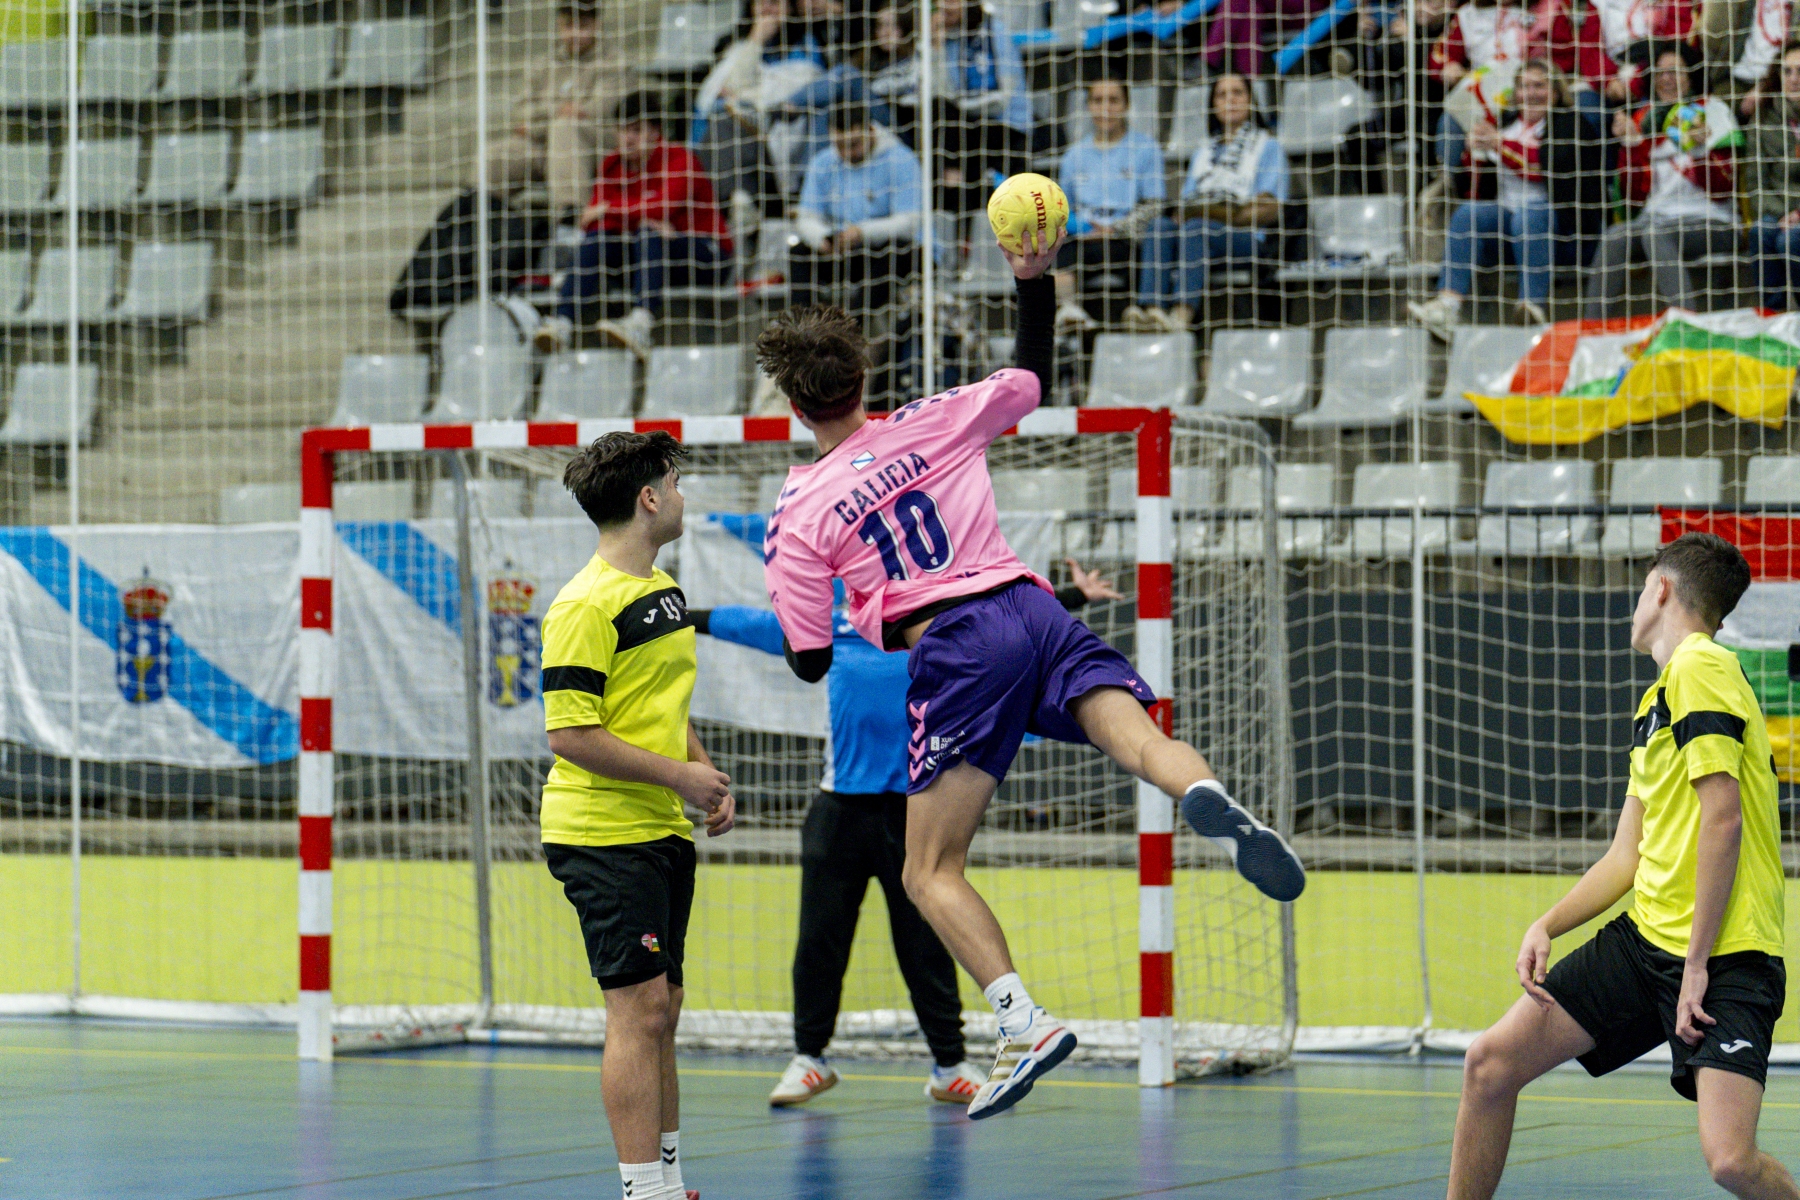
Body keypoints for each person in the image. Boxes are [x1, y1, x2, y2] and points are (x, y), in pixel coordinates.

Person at [753, 234, 1305, 1120]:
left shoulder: (799, 507)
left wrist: (847, 603)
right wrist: (1032, 280)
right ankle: (1204, 793)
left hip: (958, 644)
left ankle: (1024, 1023)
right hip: (1033, 607)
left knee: (928, 870)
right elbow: (1030, 378)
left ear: (793, 402)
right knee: (1138, 738)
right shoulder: (934, 417)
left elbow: (811, 658)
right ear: (863, 376)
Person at [691, 561, 1123, 1107]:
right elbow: (742, 623)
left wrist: (1073, 596)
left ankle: (949, 1064)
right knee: (820, 940)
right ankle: (809, 1058)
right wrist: (679, 614)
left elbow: (1006, 613)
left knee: (925, 943)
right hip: (839, 810)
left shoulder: (934, 630)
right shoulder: (832, 629)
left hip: (917, 811)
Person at [1444, 533, 1792, 1200]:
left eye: (1640, 589)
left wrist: (1697, 966)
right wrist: (1548, 924)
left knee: (1731, 1161)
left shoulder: (1702, 666)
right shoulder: (1656, 703)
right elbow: (1626, 856)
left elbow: (1723, 819)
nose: (1635, 603)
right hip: (1645, 944)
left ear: (1660, 589)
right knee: (1489, 1066)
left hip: (1727, 957)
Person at [539, 431, 737, 1200]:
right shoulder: (584, 605)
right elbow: (571, 734)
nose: (683, 496)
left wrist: (702, 773)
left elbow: (656, 705)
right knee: (640, 1009)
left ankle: (670, 1180)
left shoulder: (663, 590)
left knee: (665, 1009)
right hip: (601, 834)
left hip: (659, 827)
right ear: (649, 498)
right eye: (675, 484)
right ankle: (642, 1190)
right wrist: (680, 776)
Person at [1408, 59, 1605, 337]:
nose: (1531, 93)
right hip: (1508, 230)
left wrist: (1499, 145)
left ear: (1555, 92)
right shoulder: (1504, 123)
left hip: (1563, 234)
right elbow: (1475, 189)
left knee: (1530, 214)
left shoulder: (1571, 124)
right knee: (1468, 213)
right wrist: (1472, 154)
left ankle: (1531, 306)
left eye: (1539, 86)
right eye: (1524, 86)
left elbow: (1544, 169)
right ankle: (1446, 307)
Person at [534, 92, 733, 360]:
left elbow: (661, 208)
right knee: (600, 239)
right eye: (623, 131)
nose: (628, 139)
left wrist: (612, 209)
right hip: (649, 255)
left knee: (648, 231)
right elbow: (591, 223)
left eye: (637, 131)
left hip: (706, 254)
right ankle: (562, 323)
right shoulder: (611, 165)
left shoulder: (679, 159)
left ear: (656, 132)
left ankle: (641, 325)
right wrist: (635, 215)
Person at [1585, 46, 1740, 317]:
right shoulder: (1642, 118)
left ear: (1692, 75)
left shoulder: (1714, 110)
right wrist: (1632, 146)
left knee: (1655, 233)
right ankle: (1593, 327)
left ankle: (1686, 323)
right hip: (1655, 219)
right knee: (1615, 235)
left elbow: (1723, 189)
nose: (1666, 79)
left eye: (1675, 72)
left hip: (1712, 220)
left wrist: (1699, 149)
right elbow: (1633, 200)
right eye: (1660, 72)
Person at [791, 100, 923, 404]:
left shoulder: (900, 160)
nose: (847, 152)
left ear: (869, 131)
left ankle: (849, 329)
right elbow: (806, 217)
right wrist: (823, 239)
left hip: (887, 249)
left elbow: (909, 222)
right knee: (799, 251)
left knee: (896, 252)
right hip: (844, 249)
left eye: (853, 144)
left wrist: (862, 232)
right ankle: (803, 334)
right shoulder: (823, 162)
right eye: (840, 145)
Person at [1140, 72, 1288, 332]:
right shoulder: (1203, 152)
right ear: (1213, 104)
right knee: (1159, 227)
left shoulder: (1268, 146)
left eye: (1237, 93)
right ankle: (1152, 312)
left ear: (1251, 100)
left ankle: (1181, 315)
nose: (1230, 100)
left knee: (1197, 227)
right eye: (1222, 95)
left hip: (1246, 238)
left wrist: (1220, 214)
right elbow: (1186, 203)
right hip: (1198, 233)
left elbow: (1269, 210)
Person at [486, 0, 634, 222]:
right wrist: (559, 110)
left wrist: (540, 122)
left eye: (583, 26)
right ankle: (479, 219)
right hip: (545, 144)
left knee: (565, 128)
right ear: (559, 25)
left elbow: (599, 111)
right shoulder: (543, 64)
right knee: (495, 154)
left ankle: (571, 217)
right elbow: (521, 111)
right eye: (568, 26)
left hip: (596, 143)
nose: (575, 34)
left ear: (596, 25)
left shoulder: (615, 62)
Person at [1048, 78, 1168, 334]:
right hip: (1083, 240)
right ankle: (1068, 311)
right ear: (1089, 106)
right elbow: (1062, 210)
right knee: (1053, 246)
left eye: (1113, 100)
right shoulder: (1073, 156)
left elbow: (1155, 205)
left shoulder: (1146, 149)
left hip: (1126, 240)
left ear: (1126, 105)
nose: (1105, 108)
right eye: (1098, 100)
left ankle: (1137, 314)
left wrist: (1115, 229)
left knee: (1152, 243)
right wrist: (1079, 228)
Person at [930, 0, 1031, 213]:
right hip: (969, 125)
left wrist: (961, 106)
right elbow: (943, 93)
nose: (945, 7)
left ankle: (954, 194)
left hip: (1006, 123)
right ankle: (953, 197)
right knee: (936, 112)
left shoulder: (996, 30)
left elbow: (1005, 97)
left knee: (951, 137)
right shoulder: (951, 40)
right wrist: (935, 48)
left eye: (951, 1)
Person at [1746, 44, 1800, 310]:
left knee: (1790, 240)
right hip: (1779, 210)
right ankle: (1773, 315)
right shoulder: (1763, 119)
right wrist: (1786, 214)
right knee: (1761, 232)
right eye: (1787, 71)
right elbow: (1755, 185)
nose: (1794, 79)